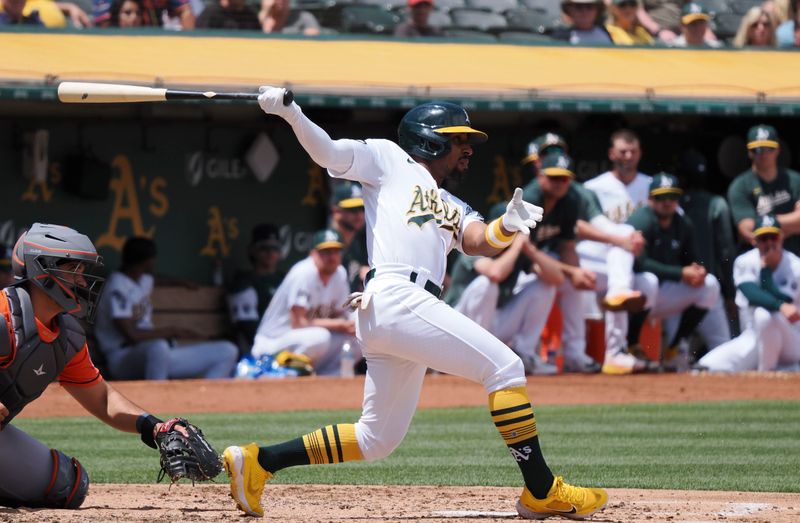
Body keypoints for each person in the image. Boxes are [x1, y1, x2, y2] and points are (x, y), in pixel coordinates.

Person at [222, 91, 607, 519]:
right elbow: (327, 152)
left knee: (375, 439)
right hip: (396, 294)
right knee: (505, 367)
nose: (467, 151)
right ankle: (542, 488)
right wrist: (291, 113)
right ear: (430, 140)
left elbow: (478, 241)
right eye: (460, 141)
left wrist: (507, 226)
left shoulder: (450, 201)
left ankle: (259, 462)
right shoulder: (389, 159)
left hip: (398, 309)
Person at [0, 223, 211, 509]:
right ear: (43, 270)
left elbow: (102, 398)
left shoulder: (67, 337)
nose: (83, 283)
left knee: (68, 485)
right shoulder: (4, 315)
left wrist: (154, 427)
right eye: (74, 271)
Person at [93, 236, 238, 380]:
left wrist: (183, 282)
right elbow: (132, 336)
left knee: (227, 351)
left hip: (157, 356)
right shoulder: (116, 287)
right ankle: (155, 399)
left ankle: (202, 399)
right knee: (158, 347)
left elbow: (159, 279)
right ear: (147, 261)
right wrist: (172, 331)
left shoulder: (142, 279)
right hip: (123, 357)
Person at [446, 203, 563, 375]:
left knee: (544, 286)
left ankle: (525, 354)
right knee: (487, 284)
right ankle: (473, 356)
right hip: (456, 324)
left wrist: (530, 251)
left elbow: (557, 279)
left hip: (491, 322)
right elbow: (495, 273)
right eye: (508, 225)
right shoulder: (477, 243)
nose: (511, 231)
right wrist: (516, 246)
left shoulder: (517, 252)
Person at [579, 129, 658, 374]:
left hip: (629, 264)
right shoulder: (593, 187)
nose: (628, 156)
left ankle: (627, 346)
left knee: (649, 284)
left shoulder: (651, 186)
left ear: (640, 154)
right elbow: (578, 226)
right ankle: (615, 351)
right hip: (593, 262)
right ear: (612, 154)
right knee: (621, 245)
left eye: (633, 152)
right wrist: (624, 239)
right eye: (623, 151)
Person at [626, 174, 721, 371]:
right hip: (633, 294)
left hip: (663, 293)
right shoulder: (642, 220)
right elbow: (640, 264)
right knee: (648, 280)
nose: (667, 202)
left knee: (710, 284)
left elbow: (692, 259)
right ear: (650, 199)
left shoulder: (682, 223)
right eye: (661, 197)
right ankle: (632, 344)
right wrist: (681, 273)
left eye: (672, 196)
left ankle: (676, 346)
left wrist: (698, 271)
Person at [521, 152, 606, 373]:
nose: (559, 183)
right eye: (554, 177)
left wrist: (576, 274)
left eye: (564, 178)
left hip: (543, 262)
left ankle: (575, 354)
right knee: (548, 283)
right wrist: (571, 271)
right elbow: (526, 249)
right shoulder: (530, 198)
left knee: (574, 285)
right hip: (519, 270)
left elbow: (568, 247)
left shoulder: (571, 201)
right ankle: (525, 352)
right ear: (540, 176)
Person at [697, 215, 800, 372]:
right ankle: (785, 369)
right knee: (706, 367)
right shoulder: (744, 261)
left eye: (773, 237)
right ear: (755, 240)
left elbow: (785, 299)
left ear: (782, 237)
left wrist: (766, 273)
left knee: (764, 314)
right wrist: (766, 270)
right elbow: (751, 294)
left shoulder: (794, 265)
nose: (769, 243)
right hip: (753, 337)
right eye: (764, 238)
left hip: (791, 339)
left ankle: (767, 372)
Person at [251, 229, 359, 376]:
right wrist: (339, 325)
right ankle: (291, 375)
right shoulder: (303, 272)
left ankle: (329, 380)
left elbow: (342, 314)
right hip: (272, 342)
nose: (332, 256)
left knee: (360, 337)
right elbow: (298, 323)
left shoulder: (339, 274)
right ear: (313, 253)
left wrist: (349, 324)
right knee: (320, 337)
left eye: (336, 251)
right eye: (326, 252)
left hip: (304, 342)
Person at [675, 149, 735, 356]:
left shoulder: (671, 205)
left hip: (679, 289)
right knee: (722, 349)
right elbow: (726, 251)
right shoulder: (716, 203)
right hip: (709, 288)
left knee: (677, 352)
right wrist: (730, 293)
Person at [727, 124, 800, 256]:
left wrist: (764, 225)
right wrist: (791, 226)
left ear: (778, 149)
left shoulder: (795, 180)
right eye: (758, 149)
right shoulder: (740, 185)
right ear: (750, 152)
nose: (764, 153)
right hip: (758, 259)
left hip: (795, 257)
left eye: (769, 148)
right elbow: (747, 229)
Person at [227, 223, 286, 356]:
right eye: (264, 248)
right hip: (259, 349)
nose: (270, 253)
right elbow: (247, 330)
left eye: (275, 248)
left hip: (285, 339)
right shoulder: (243, 282)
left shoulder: (286, 279)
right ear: (252, 250)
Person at [329, 182, 369, 291]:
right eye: (352, 209)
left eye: (362, 209)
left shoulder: (363, 242)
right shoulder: (327, 244)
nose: (359, 215)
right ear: (336, 210)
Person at [93, 0, 194, 29]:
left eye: (137, 13)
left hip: (151, 44)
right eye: (128, 13)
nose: (134, 17)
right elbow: (104, 26)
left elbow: (185, 11)